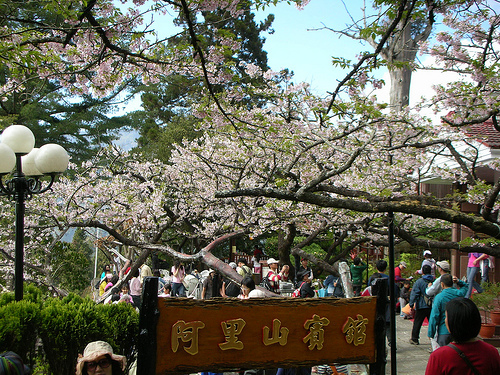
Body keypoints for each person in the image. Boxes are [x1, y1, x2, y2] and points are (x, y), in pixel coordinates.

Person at [425, 297, 500, 375]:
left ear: (452, 323)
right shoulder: (491, 352)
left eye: (446, 317)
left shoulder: (439, 357)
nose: (445, 320)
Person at [427, 274, 468, 348]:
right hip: (458, 330)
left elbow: (434, 316)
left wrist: (431, 333)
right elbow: (465, 286)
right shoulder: (459, 294)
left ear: (442, 284)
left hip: (444, 331)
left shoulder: (439, 297)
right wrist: (459, 281)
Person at [409, 264, 434, 345]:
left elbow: (414, 293)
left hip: (421, 305)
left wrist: (411, 304)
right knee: (433, 322)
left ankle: (414, 339)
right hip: (432, 305)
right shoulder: (434, 281)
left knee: (418, 322)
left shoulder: (419, 282)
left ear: (422, 271)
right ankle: (434, 338)